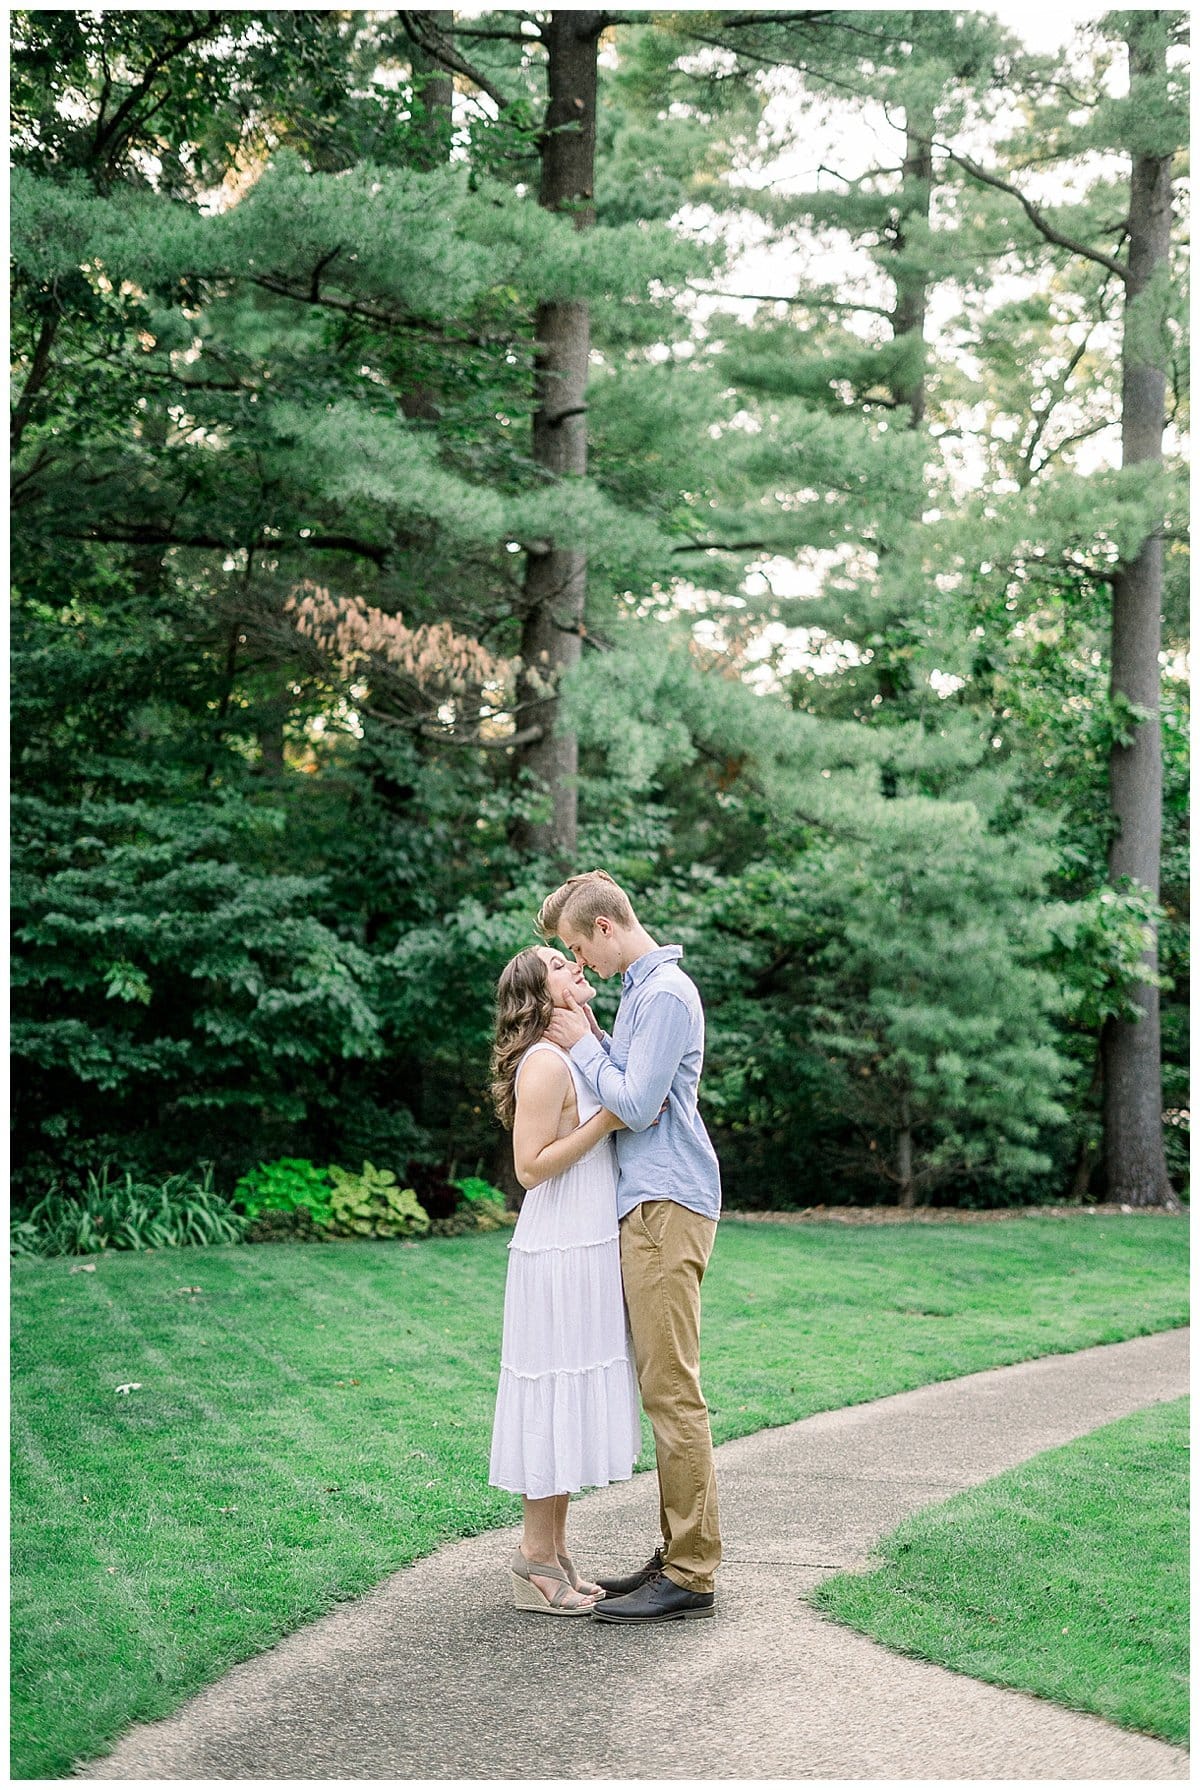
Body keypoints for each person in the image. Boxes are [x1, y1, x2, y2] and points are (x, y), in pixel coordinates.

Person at [539, 869, 722, 1625]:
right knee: (663, 1386)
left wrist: (584, 1046)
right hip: (650, 1204)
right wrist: (600, 1041)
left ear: (606, 928)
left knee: (672, 1391)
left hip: (666, 1203)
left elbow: (640, 1106)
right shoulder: (643, 995)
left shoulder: (666, 994)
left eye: (580, 948)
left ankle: (691, 1573)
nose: (580, 965)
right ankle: (679, 1551)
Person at [488, 942, 641, 1617]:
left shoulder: (578, 1053)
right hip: (555, 1250)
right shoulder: (545, 1063)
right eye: (558, 963)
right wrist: (607, 1117)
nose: (576, 965)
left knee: (568, 1400)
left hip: (585, 1245)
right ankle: (533, 1558)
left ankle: (552, 1554)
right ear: (537, 997)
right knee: (552, 1398)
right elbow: (529, 1166)